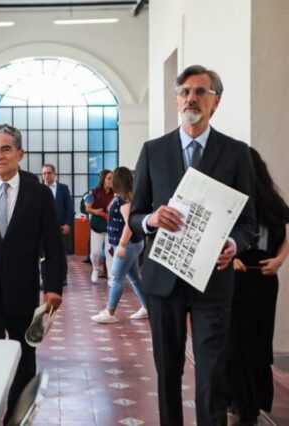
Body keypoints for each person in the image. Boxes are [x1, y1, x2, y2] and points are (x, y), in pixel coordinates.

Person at [129, 65, 256, 425]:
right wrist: (152, 220)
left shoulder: (236, 153)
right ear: (176, 101)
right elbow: (135, 216)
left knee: (212, 372)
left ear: (216, 101)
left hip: (212, 281)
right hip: (163, 279)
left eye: (201, 91)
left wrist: (233, 244)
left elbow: (249, 223)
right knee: (167, 370)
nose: (191, 98)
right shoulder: (153, 151)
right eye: (184, 91)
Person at [0, 124, 65, 421]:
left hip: (22, 292)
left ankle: (14, 419)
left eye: (6, 149)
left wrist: (53, 287)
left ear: (20, 153)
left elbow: (54, 244)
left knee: (24, 361)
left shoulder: (39, 194)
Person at [225, 147, 289, 425]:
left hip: (263, 278)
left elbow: (284, 237)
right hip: (233, 278)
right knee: (234, 342)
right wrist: (230, 259)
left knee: (259, 342)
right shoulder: (228, 199)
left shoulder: (271, 201)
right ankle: (237, 401)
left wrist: (279, 260)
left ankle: (252, 403)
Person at [91, 166, 147, 323]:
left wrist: (122, 245)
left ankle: (110, 312)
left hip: (127, 245)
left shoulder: (124, 200)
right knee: (135, 278)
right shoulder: (123, 197)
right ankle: (147, 307)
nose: (109, 181)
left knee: (116, 278)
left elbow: (130, 223)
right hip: (128, 244)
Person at [41, 163, 74, 285]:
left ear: (54, 174)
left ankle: (62, 277)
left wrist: (68, 224)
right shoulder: (39, 189)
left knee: (60, 253)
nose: (46, 176)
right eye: (44, 173)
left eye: (49, 173)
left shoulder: (63, 188)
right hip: (43, 228)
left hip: (60, 227)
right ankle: (45, 279)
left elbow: (69, 208)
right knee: (44, 255)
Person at [85, 169, 114, 282]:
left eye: (113, 178)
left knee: (109, 252)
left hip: (111, 225)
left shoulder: (116, 192)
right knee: (95, 252)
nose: (111, 181)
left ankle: (111, 276)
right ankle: (95, 269)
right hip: (97, 225)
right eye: (109, 178)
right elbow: (87, 208)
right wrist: (97, 212)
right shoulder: (93, 192)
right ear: (103, 179)